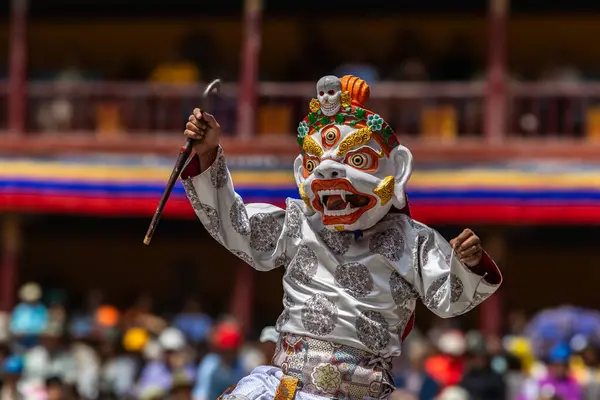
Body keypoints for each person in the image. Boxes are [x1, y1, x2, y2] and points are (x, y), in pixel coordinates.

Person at [181, 74, 502, 399]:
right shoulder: (298, 224)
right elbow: (235, 225)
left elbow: (450, 299)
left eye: (358, 160)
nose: (327, 172)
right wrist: (208, 155)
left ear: (398, 169)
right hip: (289, 390)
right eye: (313, 162)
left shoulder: (411, 241)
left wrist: (468, 264)